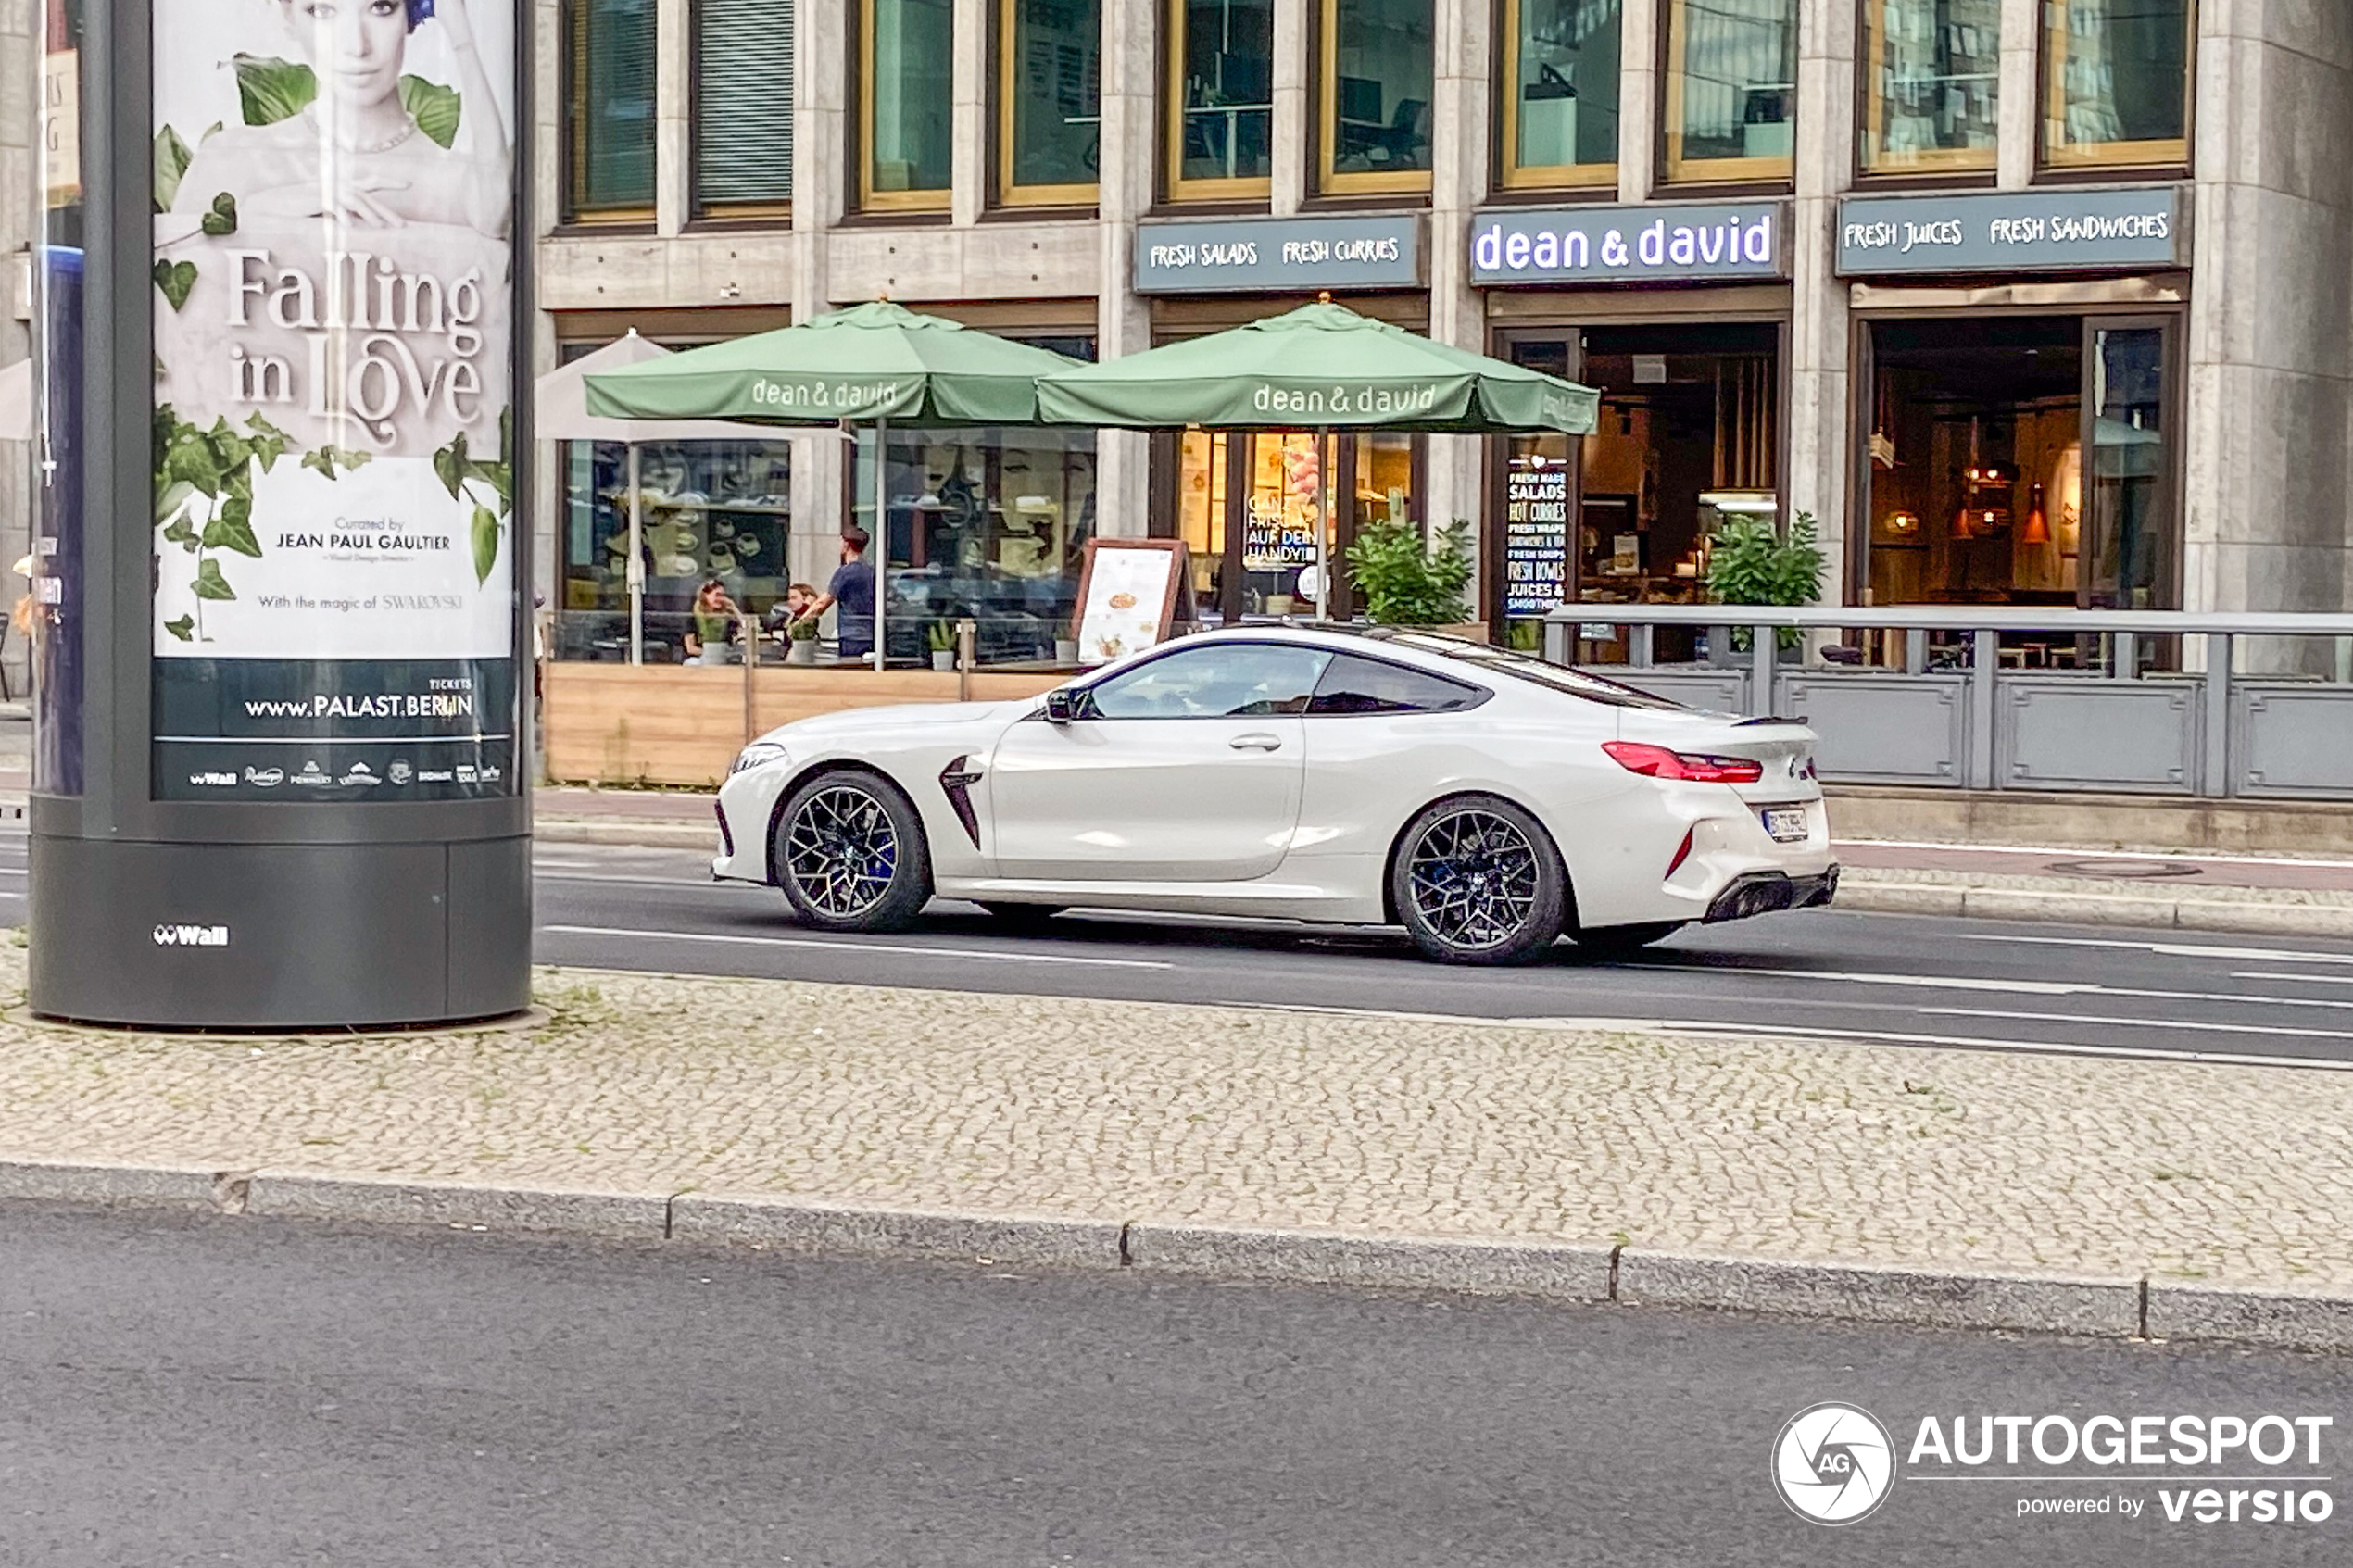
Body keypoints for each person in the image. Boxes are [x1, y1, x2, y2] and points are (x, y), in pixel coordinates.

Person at [175, 0, 511, 239]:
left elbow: (493, 216)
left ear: (412, 12)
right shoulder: (229, 160)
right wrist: (264, 210)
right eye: (322, 11)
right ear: (288, 14)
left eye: (381, 7)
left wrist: (461, 36)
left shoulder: (453, 182)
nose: (356, 45)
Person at [805, 532, 875, 663]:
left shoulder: (845, 572)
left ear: (846, 544)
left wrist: (801, 622)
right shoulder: (871, 571)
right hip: (872, 633)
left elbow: (823, 603)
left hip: (852, 636)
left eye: (840, 541)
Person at [683, 578, 737, 666]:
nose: (721, 599)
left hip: (722, 660)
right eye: (717, 595)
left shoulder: (727, 616)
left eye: (723, 596)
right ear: (705, 595)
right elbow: (690, 648)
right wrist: (712, 654)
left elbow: (744, 627)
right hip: (700, 659)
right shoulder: (694, 616)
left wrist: (734, 608)